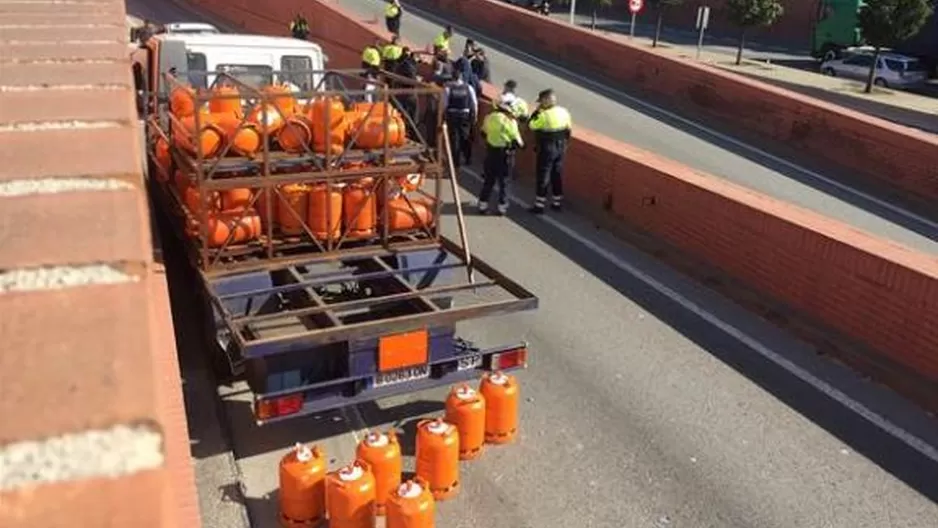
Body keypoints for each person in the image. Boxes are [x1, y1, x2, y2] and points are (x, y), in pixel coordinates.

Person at [527, 89, 572, 213]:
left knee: (543, 175)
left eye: (541, 101)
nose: (540, 104)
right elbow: (568, 129)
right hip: (561, 146)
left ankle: (539, 204)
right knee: (556, 173)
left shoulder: (543, 115)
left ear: (546, 100)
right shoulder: (564, 112)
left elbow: (531, 125)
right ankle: (557, 202)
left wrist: (537, 112)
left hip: (547, 147)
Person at [478, 101, 523, 215]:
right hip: (505, 155)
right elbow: (518, 142)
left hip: (491, 153)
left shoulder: (489, 117)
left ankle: (483, 205)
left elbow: (483, 133)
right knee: (504, 181)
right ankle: (502, 207)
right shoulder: (510, 121)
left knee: (488, 180)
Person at [442, 68, 478, 170]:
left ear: (452, 78)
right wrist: (474, 115)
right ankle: (467, 158)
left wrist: (443, 115)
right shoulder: (468, 87)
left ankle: (455, 162)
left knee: (454, 139)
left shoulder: (448, 88)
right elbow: (474, 103)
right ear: (461, 77)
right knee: (465, 137)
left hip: (452, 115)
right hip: (465, 115)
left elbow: (445, 104)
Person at [392, 47, 419, 138]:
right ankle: (409, 133)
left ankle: (402, 131)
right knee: (411, 114)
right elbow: (412, 80)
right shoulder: (409, 65)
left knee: (402, 112)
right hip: (408, 93)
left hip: (400, 92)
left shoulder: (400, 63)